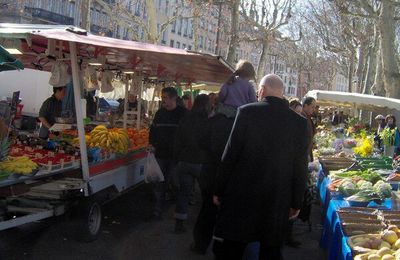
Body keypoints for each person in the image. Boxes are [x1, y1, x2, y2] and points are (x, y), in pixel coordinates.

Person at [212, 74, 309, 260]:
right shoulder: (299, 123)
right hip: (277, 198)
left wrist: (219, 189)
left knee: (233, 247)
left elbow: (231, 154)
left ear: (262, 90)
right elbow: (300, 166)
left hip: (242, 194)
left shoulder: (246, 112)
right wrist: (297, 201)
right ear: (281, 93)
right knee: (270, 249)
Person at [173, 94, 210, 233]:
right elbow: (209, 142)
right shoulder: (208, 121)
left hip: (185, 160)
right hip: (201, 162)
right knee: (205, 194)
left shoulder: (186, 118)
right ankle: (202, 224)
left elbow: (178, 140)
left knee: (184, 193)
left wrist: (177, 159)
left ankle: (179, 223)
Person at [149, 87, 186, 219]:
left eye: (165, 97)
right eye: (163, 97)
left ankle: (178, 210)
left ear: (173, 98)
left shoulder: (183, 114)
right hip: (160, 154)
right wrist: (152, 144)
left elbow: (187, 134)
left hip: (176, 156)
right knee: (159, 183)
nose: (163, 100)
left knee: (176, 182)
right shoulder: (159, 113)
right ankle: (157, 210)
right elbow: (153, 130)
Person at [302, 97, 317, 162]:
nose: (314, 109)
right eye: (312, 107)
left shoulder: (308, 117)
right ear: (305, 106)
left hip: (307, 151)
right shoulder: (301, 117)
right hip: (303, 153)